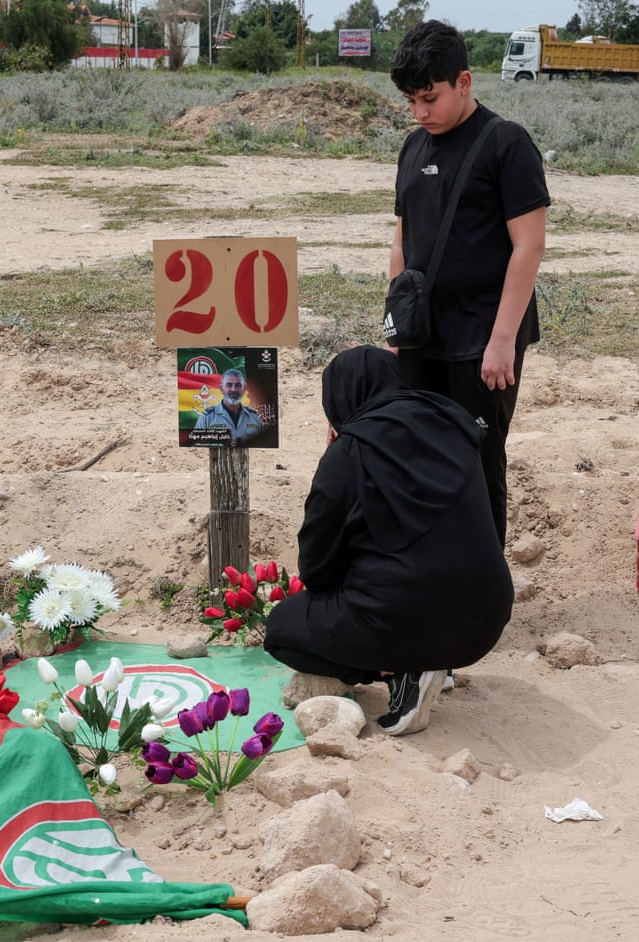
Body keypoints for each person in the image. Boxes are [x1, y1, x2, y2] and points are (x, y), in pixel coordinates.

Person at [263, 346, 513, 735]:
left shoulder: (350, 452)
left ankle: (398, 672)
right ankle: (432, 664)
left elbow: (315, 568)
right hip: (485, 621)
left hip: (403, 619)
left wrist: (334, 461)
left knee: (281, 629)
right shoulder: (453, 424)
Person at [389, 19, 549, 548]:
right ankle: (431, 578)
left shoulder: (506, 143)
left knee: (478, 462)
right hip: (422, 338)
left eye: (430, 98)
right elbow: (401, 242)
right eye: (412, 100)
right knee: (417, 458)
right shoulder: (413, 148)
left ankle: (483, 588)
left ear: (465, 81)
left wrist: (503, 341)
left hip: (483, 342)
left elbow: (529, 246)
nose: (420, 112)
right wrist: (396, 330)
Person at [193, 369, 263, 446]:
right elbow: (197, 447)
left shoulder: (254, 417)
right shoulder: (207, 417)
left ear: (244, 388)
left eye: (238, 385)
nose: (234, 389)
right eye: (229, 385)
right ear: (221, 389)